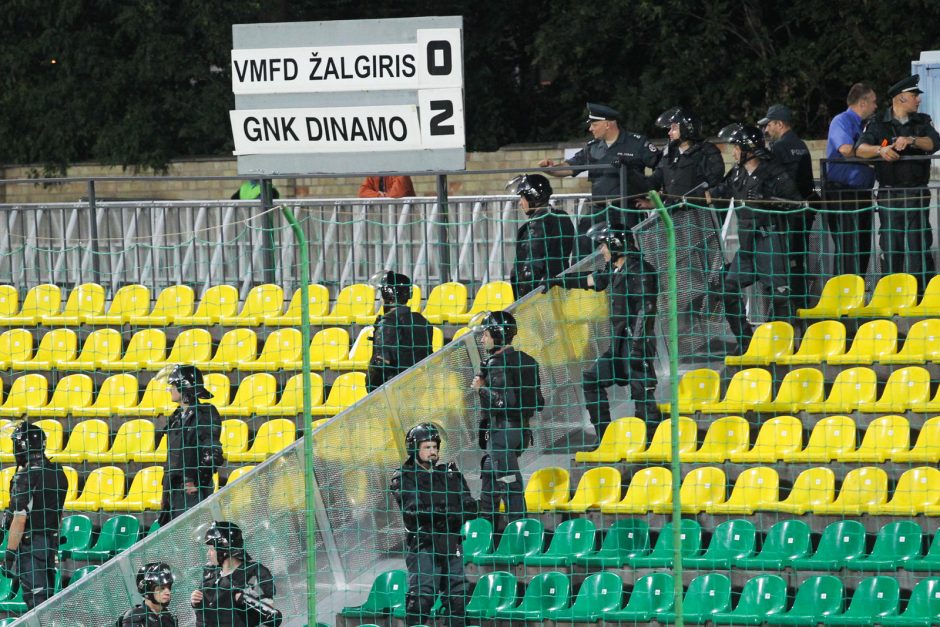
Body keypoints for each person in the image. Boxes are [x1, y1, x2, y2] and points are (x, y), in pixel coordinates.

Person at [545, 223, 659, 439]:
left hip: (636, 343)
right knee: (591, 378)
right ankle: (605, 437)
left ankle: (649, 440)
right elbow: (591, 281)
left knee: (642, 393)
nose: (601, 250)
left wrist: (637, 346)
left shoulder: (641, 271)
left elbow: (646, 310)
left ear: (616, 245)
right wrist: (559, 281)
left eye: (603, 245)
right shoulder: (614, 270)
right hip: (618, 344)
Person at [708, 123, 803, 351]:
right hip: (747, 244)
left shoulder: (774, 171)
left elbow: (796, 203)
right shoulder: (738, 172)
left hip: (770, 240)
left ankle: (784, 345)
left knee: (780, 296)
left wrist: (768, 199)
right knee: (727, 288)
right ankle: (745, 341)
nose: (733, 152)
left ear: (748, 149)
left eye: (736, 148)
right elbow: (717, 193)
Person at [642, 106, 725, 336]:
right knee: (678, 274)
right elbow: (658, 178)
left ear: (687, 127)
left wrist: (693, 197)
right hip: (672, 220)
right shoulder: (669, 152)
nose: (669, 132)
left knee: (699, 272)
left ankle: (705, 326)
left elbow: (715, 181)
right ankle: (686, 330)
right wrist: (635, 183)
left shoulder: (708, 152)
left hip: (698, 220)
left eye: (674, 127)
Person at [538, 103, 661, 257]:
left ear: (608, 124)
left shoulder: (636, 143)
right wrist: (551, 169)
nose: (591, 129)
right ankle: (582, 281)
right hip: (599, 211)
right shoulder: (592, 148)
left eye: (594, 124)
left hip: (627, 211)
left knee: (630, 255)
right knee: (581, 248)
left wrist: (656, 200)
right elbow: (569, 167)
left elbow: (663, 168)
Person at [856, 74, 940, 293]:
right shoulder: (877, 124)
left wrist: (911, 140)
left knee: (918, 246)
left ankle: (922, 296)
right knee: (891, 247)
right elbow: (860, 149)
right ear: (901, 98)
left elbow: (934, 142)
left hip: (916, 193)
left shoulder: (921, 121)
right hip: (889, 195)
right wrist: (880, 150)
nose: (918, 100)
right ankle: (892, 296)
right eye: (914, 96)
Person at [390, 423, 477, 627]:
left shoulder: (449, 473)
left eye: (435, 447)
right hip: (424, 544)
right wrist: (448, 512)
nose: (433, 452)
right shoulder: (403, 476)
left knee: (458, 596)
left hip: (451, 541)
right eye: (427, 447)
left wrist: (457, 511)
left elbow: (468, 503)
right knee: (422, 597)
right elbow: (413, 511)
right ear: (414, 449)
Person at [470, 310, 543, 528]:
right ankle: (487, 529)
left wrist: (482, 389)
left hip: (502, 432)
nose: (482, 339)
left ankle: (520, 532)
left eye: (485, 334)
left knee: (509, 483)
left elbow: (504, 402)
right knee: (490, 473)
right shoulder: (527, 360)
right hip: (520, 432)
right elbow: (539, 402)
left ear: (497, 335)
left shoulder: (497, 363)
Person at [1, 421, 69, 610]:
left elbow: (20, 518)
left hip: (32, 545)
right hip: (51, 543)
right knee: (46, 597)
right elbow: (58, 512)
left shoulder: (26, 476)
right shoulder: (58, 472)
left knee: (36, 601)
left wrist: (10, 553)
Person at [759, 104, 815, 309]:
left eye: (769, 125)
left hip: (787, 215)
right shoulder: (801, 144)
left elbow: (772, 178)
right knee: (799, 262)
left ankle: (790, 311)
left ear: (779, 124)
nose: (766, 131)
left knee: (785, 264)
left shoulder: (780, 147)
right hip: (804, 211)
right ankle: (801, 305)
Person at [822, 83, 878, 276]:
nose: (876, 106)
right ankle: (844, 296)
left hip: (860, 193)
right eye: (873, 102)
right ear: (862, 103)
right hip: (843, 192)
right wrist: (869, 153)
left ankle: (857, 292)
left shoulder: (865, 125)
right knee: (848, 249)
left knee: (861, 247)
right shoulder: (842, 120)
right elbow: (845, 149)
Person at [157, 364, 223, 525]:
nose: (170, 389)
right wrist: (165, 493)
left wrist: (197, 482)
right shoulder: (177, 417)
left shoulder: (204, 413)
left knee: (194, 535)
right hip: (174, 489)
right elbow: (172, 458)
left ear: (183, 386)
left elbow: (212, 453)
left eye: (173, 385)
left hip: (191, 490)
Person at [190, 521, 279, 627]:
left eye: (211, 549)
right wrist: (195, 602)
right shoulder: (210, 572)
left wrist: (245, 599)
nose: (208, 553)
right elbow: (204, 615)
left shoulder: (254, 572)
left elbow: (271, 618)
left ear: (224, 550)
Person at [506, 173, 576, 299]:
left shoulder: (537, 224)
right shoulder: (562, 217)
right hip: (560, 288)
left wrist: (523, 299)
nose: (520, 203)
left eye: (522, 197)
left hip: (539, 292)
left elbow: (530, 267)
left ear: (532, 197)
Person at [366, 271, 434, 392]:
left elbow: (382, 362)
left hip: (393, 391)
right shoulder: (422, 321)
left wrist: (370, 387)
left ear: (387, 295)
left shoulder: (388, 322)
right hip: (418, 388)